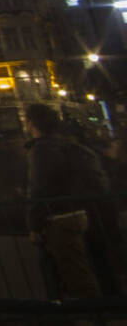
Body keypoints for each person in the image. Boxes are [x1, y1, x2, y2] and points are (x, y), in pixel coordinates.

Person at [23, 104, 116, 298]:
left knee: (75, 270)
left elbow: (39, 188)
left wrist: (33, 224)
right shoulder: (65, 146)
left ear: (32, 123)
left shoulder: (41, 151)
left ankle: (93, 311)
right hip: (78, 211)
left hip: (59, 217)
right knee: (84, 264)